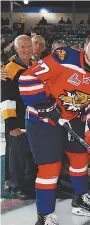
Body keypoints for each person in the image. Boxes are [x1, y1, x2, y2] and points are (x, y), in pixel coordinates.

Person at [19, 32, 90, 225]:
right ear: (85, 46)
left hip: (69, 119)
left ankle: (79, 198)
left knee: (80, 157)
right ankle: (44, 215)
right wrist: (43, 103)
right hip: (41, 119)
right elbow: (28, 78)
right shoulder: (64, 57)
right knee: (50, 168)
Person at [1, 35, 37, 199]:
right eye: (22, 47)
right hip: (18, 120)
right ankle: (16, 186)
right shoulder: (9, 69)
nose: (26, 49)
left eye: (29, 46)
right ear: (16, 49)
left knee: (30, 154)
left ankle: (28, 183)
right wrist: (11, 125)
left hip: (34, 118)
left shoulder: (36, 66)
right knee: (16, 155)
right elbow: (5, 99)